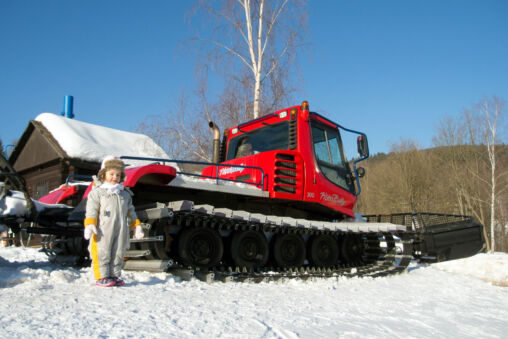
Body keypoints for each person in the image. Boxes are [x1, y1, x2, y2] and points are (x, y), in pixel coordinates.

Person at [83, 156, 144, 287]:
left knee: (118, 252)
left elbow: (131, 211)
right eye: (111, 174)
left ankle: (114, 275)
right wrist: (90, 224)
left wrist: (136, 226)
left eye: (117, 175)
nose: (114, 177)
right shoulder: (97, 192)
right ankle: (102, 276)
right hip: (103, 229)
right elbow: (91, 209)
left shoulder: (125, 194)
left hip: (121, 228)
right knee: (102, 251)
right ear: (103, 174)